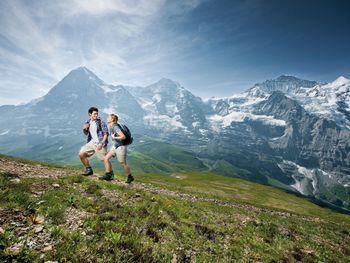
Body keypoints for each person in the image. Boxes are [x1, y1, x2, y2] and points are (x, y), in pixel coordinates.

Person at [100, 113, 134, 183]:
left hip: (121, 147)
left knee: (122, 163)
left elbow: (123, 136)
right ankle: (109, 175)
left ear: (112, 119)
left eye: (108, 117)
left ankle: (130, 176)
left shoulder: (115, 127)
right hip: (115, 146)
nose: (107, 118)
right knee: (105, 158)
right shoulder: (111, 126)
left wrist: (114, 137)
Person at [79, 107, 108, 176]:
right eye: (94, 114)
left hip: (100, 142)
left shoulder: (101, 122)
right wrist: (84, 129)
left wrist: (101, 143)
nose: (96, 115)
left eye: (97, 114)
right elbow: (86, 133)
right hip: (92, 142)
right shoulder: (88, 122)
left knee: (104, 159)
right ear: (90, 114)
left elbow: (106, 134)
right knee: (81, 154)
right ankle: (89, 170)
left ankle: (109, 174)